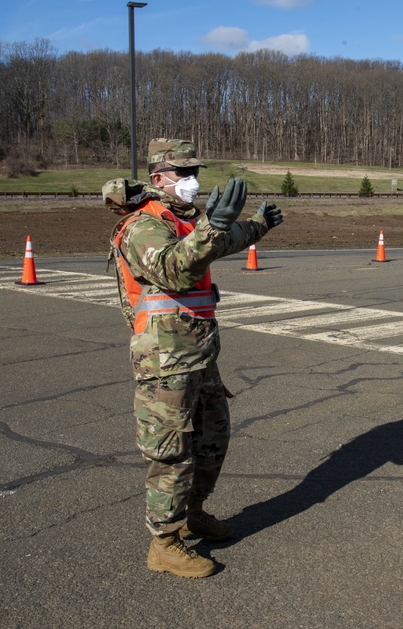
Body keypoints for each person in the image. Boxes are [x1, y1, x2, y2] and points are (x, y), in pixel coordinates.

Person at [103, 138, 283, 578]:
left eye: (195, 173)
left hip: (199, 353)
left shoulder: (184, 221)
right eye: (183, 174)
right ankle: (164, 543)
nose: (192, 181)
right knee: (170, 450)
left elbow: (216, 243)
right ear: (158, 177)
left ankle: (193, 511)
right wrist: (214, 224)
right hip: (164, 361)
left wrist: (256, 226)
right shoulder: (143, 226)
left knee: (212, 437)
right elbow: (175, 268)